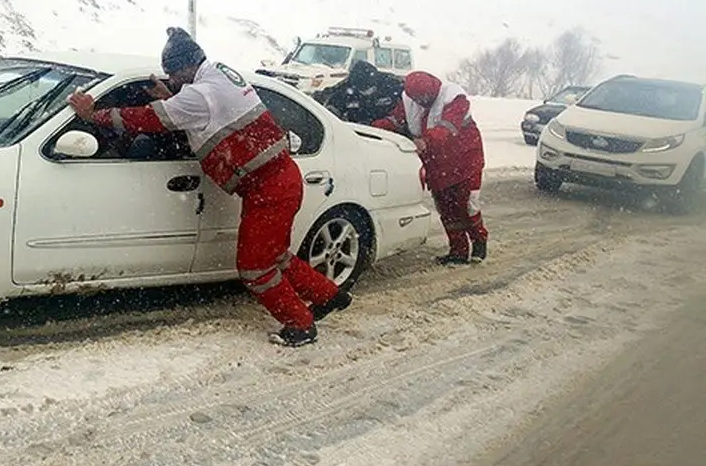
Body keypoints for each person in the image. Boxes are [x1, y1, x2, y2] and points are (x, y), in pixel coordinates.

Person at [67, 27, 352, 347]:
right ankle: (329, 296)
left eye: (173, 73)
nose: (171, 80)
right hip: (278, 179)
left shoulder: (197, 95)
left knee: (254, 268)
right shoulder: (217, 74)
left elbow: (148, 120)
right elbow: (205, 107)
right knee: (275, 256)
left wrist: (94, 115)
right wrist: (172, 95)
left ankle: (300, 325)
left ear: (186, 67)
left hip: (268, 189)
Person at [372, 71, 489, 265]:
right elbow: (396, 120)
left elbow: (447, 127)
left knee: (467, 205)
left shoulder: (454, 98)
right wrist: (374, 127)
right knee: (447, 209)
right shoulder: (409, 101)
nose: (422, 101)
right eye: (417, 98)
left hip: (465, 161)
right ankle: (458, 251)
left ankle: (479, 240)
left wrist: (426, 141)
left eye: (425, 97)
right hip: (437, 164)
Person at [314, 59, 404, 125]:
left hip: (389, 133)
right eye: (362, 89)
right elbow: (329, 107)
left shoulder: (392, 84)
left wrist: (391, 122)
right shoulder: (345, 89)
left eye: (370, 87)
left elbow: (410, 103)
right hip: (357, 132)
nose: (367, 92)